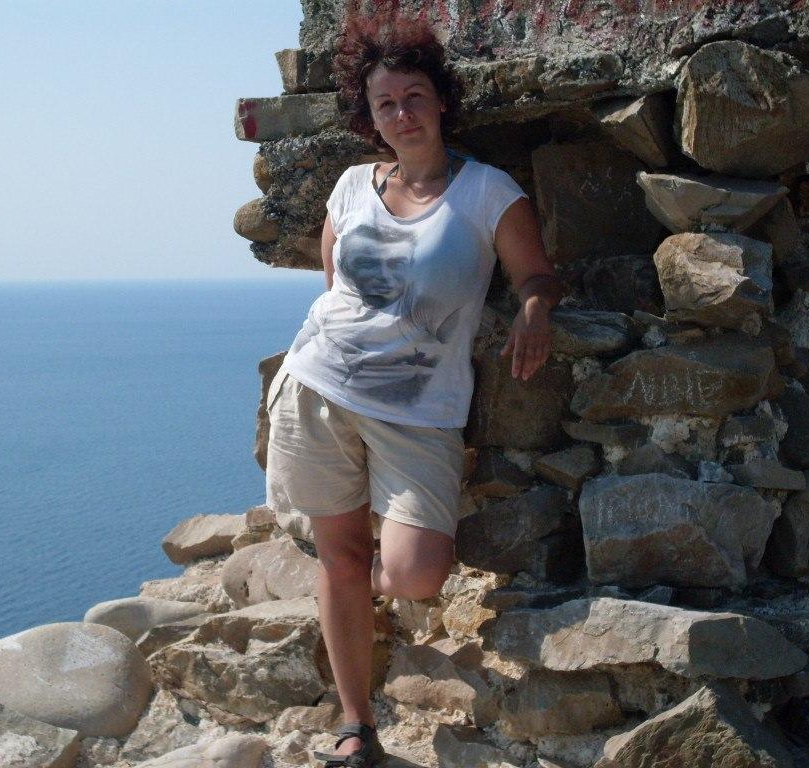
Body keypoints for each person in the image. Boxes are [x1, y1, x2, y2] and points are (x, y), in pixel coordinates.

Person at [263, 13, 562, 767]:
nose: (403, 113)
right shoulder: (349, 187)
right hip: (319, 389)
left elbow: (536, 275)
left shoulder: (488, 193)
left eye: (415, 96)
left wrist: (534, 311)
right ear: (370, 117)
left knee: (416, 574)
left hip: (420, 413)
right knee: (340, 557)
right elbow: (335, 291)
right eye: (386, 103)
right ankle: (356, 726)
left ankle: (346, 592)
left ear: (441, 100)